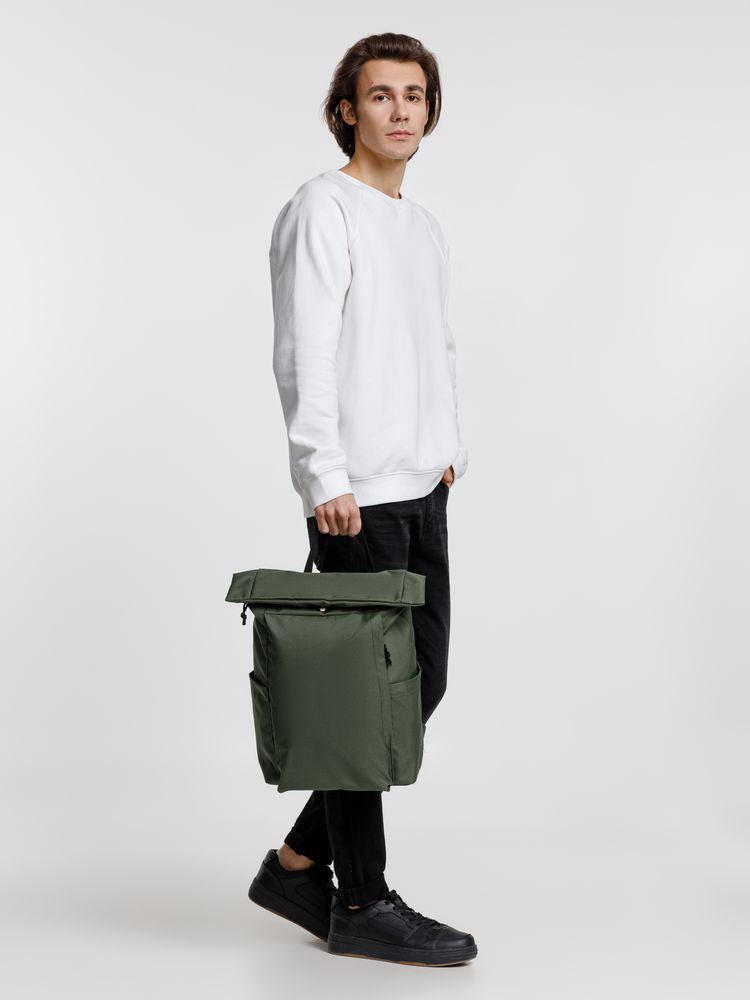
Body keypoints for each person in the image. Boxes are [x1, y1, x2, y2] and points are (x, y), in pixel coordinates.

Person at [248, 32, 477, 966]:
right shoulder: (323, 207)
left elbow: (433, 345)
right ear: (348, 111)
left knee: (420, 682)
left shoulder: (422, 227)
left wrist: (448, 450)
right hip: (357, 498)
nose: (400, 110)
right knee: (360, 698)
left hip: (421, 487)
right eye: (380, 95)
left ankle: (298, 865)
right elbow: (302, 348)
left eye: (414, 95)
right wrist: (324, 477)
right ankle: (363, 899)